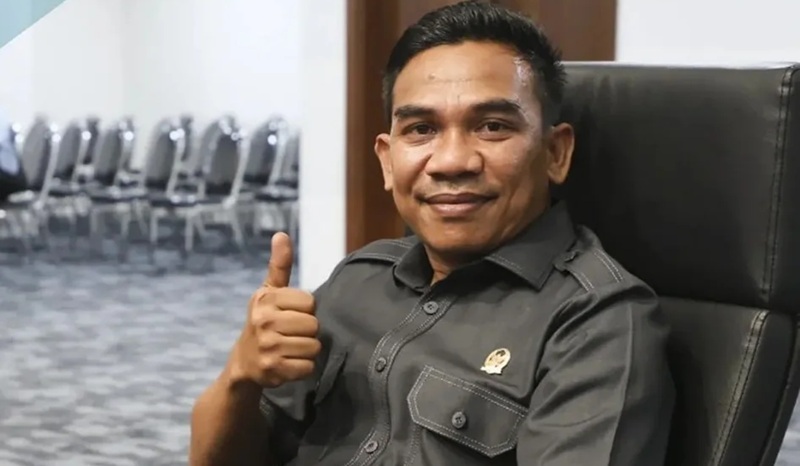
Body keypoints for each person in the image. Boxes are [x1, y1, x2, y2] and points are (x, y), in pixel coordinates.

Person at [189, 2, 675, 465]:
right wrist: (241, 376)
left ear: (555, 153)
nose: (451, 162)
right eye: (421, 129)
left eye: (492, 126)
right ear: (387, 160)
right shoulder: (357, 279)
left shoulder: (596, 323)